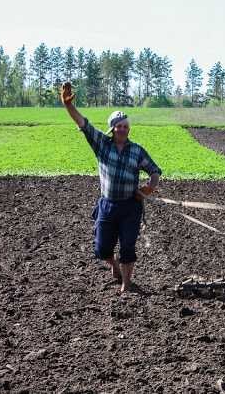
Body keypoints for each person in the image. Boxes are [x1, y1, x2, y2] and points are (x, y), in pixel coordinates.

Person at [60, 82, 161, 292]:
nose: (122, 129)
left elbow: (154, 170)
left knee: (127, 246)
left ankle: (127, 283)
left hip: (130, 206)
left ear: (128, 128)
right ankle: (113, 265)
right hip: (107, 205)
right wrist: (68, 106)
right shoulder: (102, 145)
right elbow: (83, 124)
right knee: (102, 248)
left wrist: (150, 187)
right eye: (119, 126)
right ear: (112, 129)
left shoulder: (137, 150)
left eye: (125, 126)